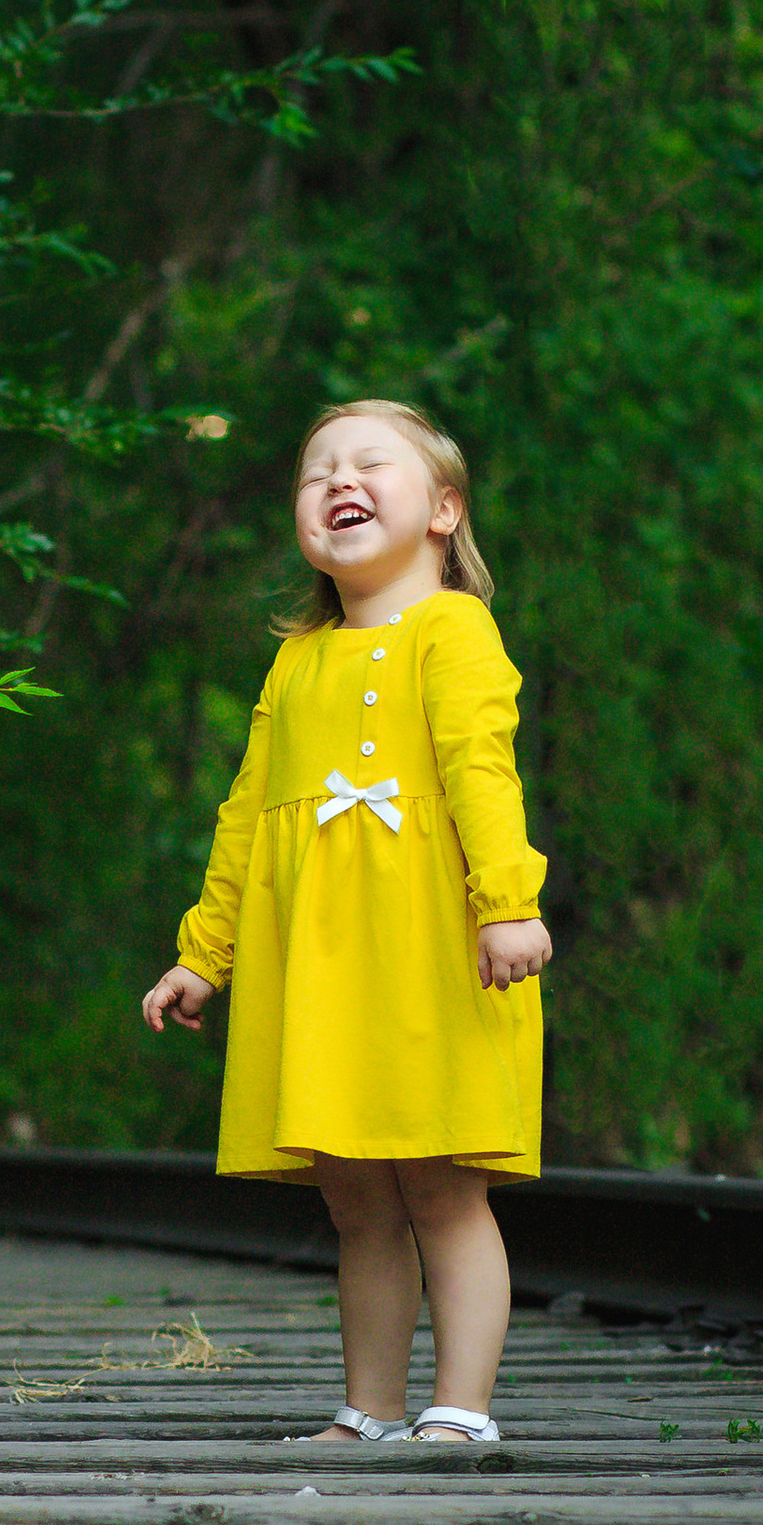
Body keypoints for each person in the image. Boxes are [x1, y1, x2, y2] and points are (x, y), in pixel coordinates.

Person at [141, 400, 553, 1445]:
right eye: (315, 471)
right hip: (322, 961)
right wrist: (206, 950)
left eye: (370, 464)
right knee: (357, 1201)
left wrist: (507, 902)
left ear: (442, 511)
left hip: (432, 948)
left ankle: (459, 1410)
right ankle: (367, 1408)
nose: (337, 481)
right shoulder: (297, 658)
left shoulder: (451, 629)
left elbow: (480, 771)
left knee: (445, 1188)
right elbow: (246, 811)